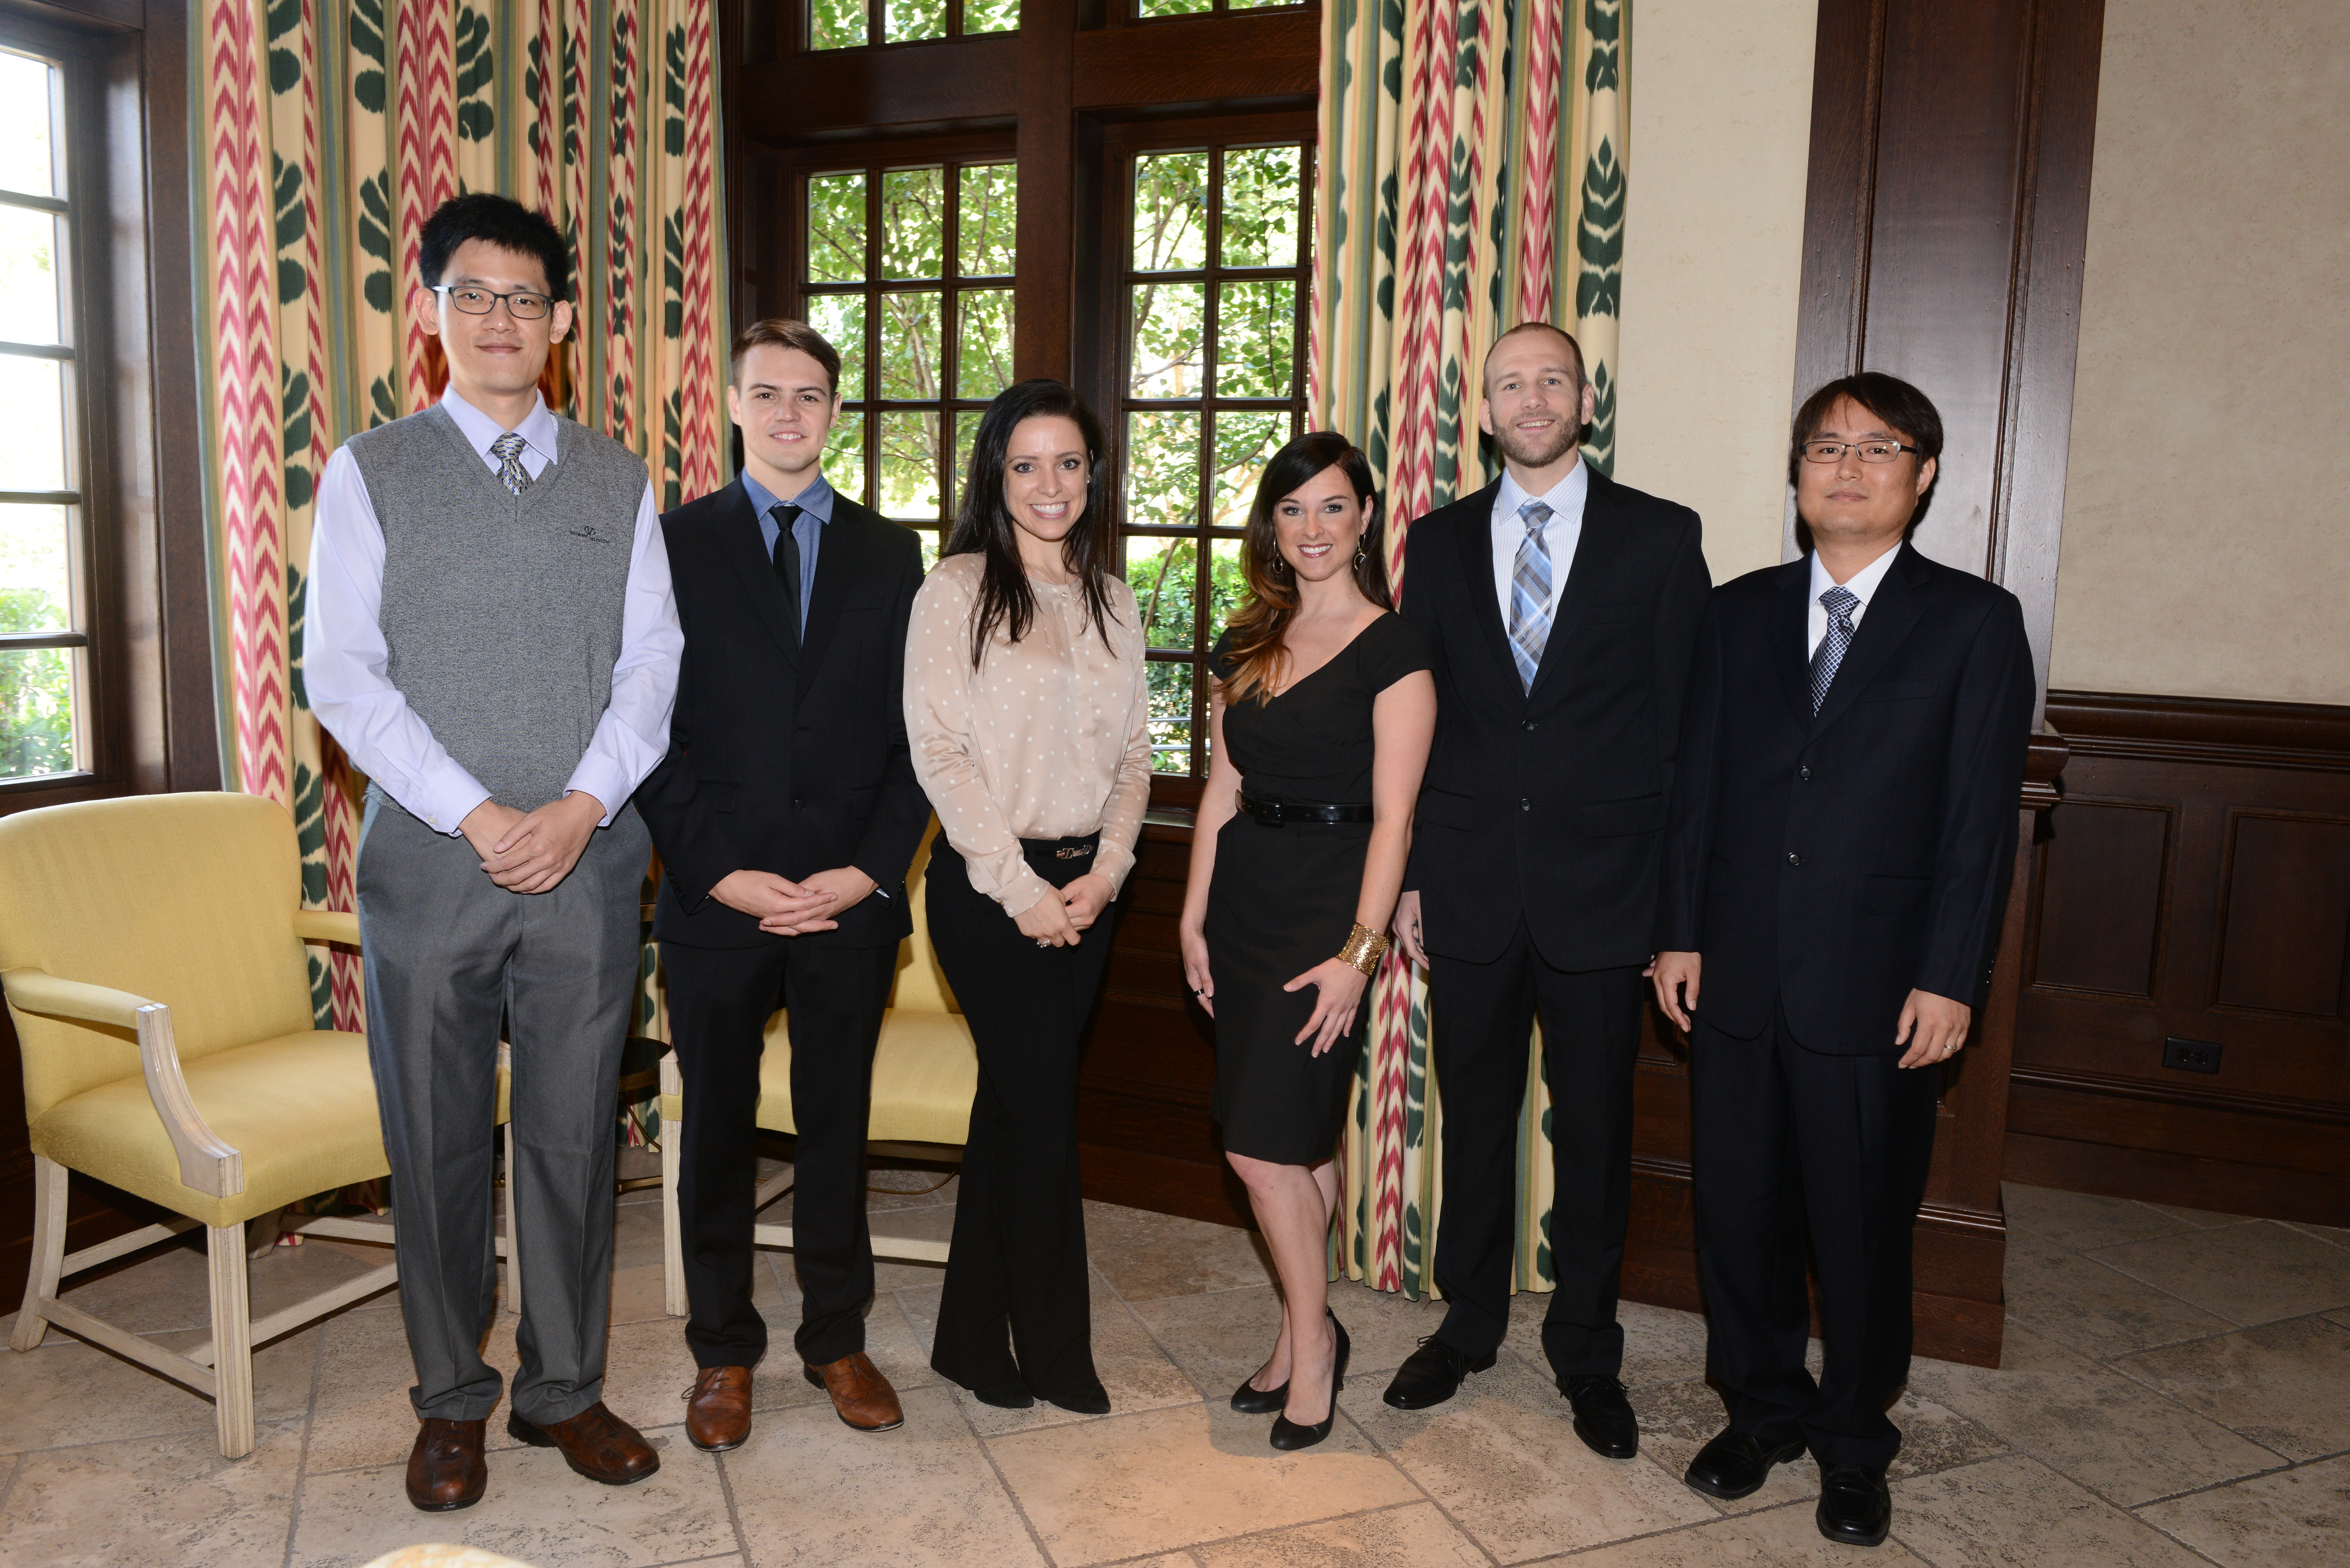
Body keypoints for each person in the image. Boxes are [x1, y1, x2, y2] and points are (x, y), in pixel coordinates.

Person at [303, 193, 681, 1511]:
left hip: (585, 860)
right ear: (429, 312)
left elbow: (652, 666)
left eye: (524, 299)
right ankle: (451, 1400)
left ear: (563, 322)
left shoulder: (618, 478)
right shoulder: (371, 471)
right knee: (438, 1138)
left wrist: (579, 806)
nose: (499, 320)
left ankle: (564, 1390)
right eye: (471, 294)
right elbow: (341, 678)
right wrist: (473, 809)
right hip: (430, 859)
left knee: (577, 1131)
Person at [1650, 372, 2033, 1548]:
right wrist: (1678, 928)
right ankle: (1759, 1411)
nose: (1849, 467)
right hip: (1737, 977)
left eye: (1880, 449)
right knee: (1740, 1211)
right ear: (1798, 472)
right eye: (1826, 447)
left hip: (1881, 989)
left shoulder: (1974, 622)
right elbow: (1695, 790)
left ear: (1922, 476)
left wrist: (1951, 977)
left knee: (1863, 1225)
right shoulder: (1735, 612)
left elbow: (1977, 821)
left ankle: (1855, 1440)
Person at [1385, 323, 1711, 1458]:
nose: (1533, 398)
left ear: (1586, 397)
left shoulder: (1661, 540)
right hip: (1468, 887)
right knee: (1473, 1120)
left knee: (1595, 1131)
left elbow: (1686, 743)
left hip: (1606, 893)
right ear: (1485, 410)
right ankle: (1466, 1327)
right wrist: (1415, 877)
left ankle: (1586, 1347)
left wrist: (1679, 919)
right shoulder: (1434, 542)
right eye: (1511, 382)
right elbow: (1412, 730)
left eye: (1553, 380)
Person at [634, 319, 931, 1449]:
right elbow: (645, 727)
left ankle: (836, 1339)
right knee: (710, 1128)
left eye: (812, 395)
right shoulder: (667, 545)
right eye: (770, 393)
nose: (791, 413)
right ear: (734, 404)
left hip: (849, 901)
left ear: (837, 411)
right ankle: (723, 1351)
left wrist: (863, 873)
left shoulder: (888, 554)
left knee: (835, 1126)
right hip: (719, 896)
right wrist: (722, 873)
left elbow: (919, 736)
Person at [1178, 434, 1436, 1451]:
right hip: (1242, 900)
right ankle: (1301, 1328)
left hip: (1326, 915)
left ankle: (1314, 1348)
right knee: (1294, 1146)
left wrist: (1356, 955)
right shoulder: (1246, 640)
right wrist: (1193, 912)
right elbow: (1221, 788)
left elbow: (1395, 820)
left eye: (1333, 507)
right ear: (1272, 527)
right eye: (1293, 510)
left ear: (1365, 516)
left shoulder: (1395, 648)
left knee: (1260, 1148)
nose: (1313, 528)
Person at [904, 378, 1151, 1412]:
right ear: (994, 478)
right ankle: (1058, 1352)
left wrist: (1106, 872)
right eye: (1026, 465)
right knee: (1043, 1116)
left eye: (1068, 463)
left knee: (1012, 1113)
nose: (1049, 485)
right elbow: (940, 754)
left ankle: (967, 1339)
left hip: (1088, 892)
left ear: (1092, 475)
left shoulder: (1113, 596)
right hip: (988, 895)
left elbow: (1136, 756)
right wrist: (1020, 890)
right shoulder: (956, 588)